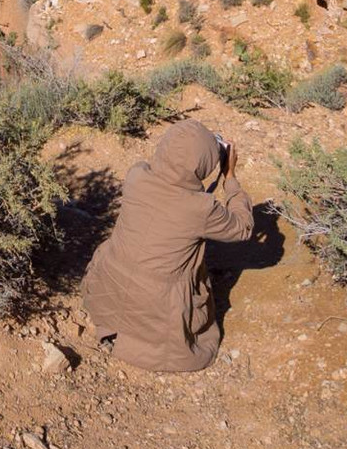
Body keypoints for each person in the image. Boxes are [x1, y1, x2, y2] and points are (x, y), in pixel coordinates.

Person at [81, 119, 254, 373]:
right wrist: (230, 177)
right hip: (158, 308)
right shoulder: (201, 209)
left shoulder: (136, 175)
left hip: (109, 285)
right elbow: (243, 228)